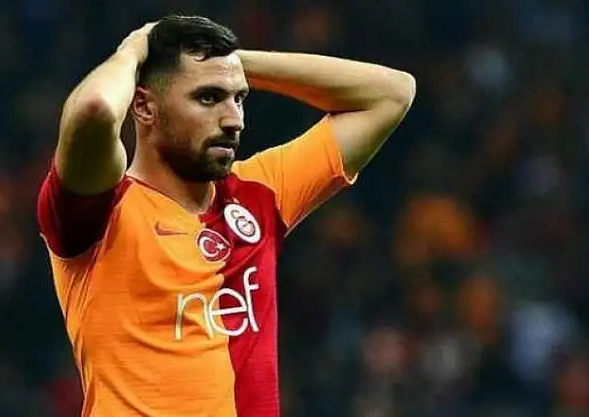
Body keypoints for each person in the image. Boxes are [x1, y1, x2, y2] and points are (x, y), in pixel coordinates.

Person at [37, 14, 415, 417]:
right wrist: (132, 52)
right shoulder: (99, 211)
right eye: (208, 98)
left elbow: (392, 93)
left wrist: (232, 62)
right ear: (144, 106)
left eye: (238, 98)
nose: (234, 119)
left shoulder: (259, 192)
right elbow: (94, 109)